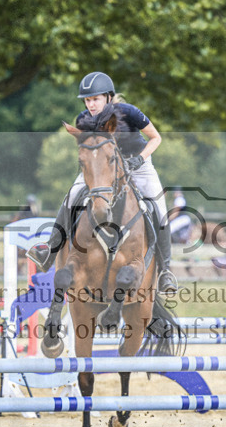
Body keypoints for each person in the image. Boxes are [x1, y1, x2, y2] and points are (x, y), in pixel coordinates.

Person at [27, 71, 178, 293]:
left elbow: (156, 138)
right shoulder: (85, 119)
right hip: (104, 168)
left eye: (95, 99)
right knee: (72, 196)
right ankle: (50, 250)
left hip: (139, 165)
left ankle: (166, 270)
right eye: (87, 100)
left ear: (108, 97)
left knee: (159, 207)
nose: (91, 104)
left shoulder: (129, 112)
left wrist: (139, 158)